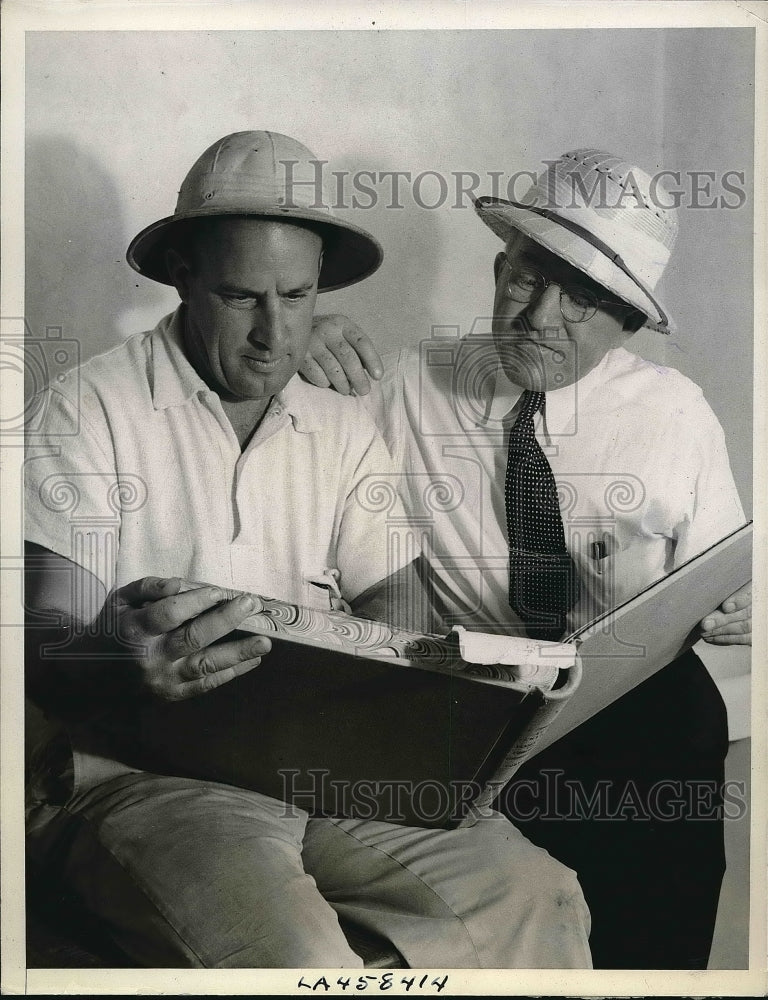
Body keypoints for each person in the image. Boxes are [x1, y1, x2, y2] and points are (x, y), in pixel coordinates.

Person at [23, 131, 593, 969]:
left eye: (296, 296)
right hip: (147, 779)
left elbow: (403, 616)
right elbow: (42, 637)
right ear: (180, 274)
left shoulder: (341, 424)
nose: (274, 334)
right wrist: (116, 657)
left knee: (537, 896)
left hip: (324, 771)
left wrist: (433, 675)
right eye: (242, 296)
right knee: (297, 956)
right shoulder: (87, 409)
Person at [302, 148, 752, 969]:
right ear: (500, 265)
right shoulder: (411, 382)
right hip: (484, 707)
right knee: (534, 924)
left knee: (670, 785)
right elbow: (303, 424)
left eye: (579, 300)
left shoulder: (676, 416)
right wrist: (310, 334)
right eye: (526, 279)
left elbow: (728, 574)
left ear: (627, 325)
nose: (539, 316)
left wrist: (743, 607)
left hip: (632, 709)